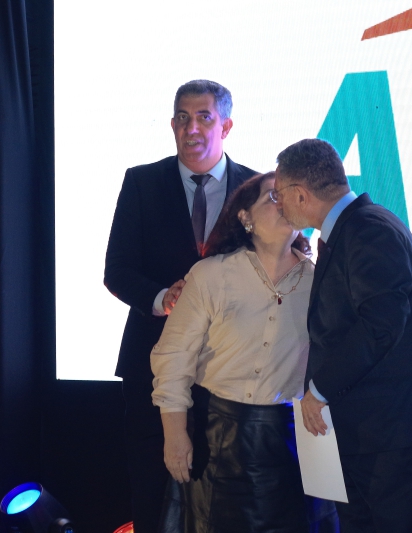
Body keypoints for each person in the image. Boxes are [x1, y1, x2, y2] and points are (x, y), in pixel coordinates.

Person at [272, 138, 412, 533]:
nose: (278, 205)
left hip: (398, 438)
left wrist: (319, 390)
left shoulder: (369, 230)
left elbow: (381, 325)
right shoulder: (351, 230)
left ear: (301, 194)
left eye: (278, 194)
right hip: (372, 438)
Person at [104, 80, 257, 533]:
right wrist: (160, 298)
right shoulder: (141, 182)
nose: (192, 128)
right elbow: (117, 270)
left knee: (223, 500)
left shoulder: (256, 188)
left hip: (229, 370)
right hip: (151, 366)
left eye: (204, 117)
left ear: (225, 126)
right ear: (172, 125)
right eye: (183, 118)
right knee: (153, 493)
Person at [151, 172, 316, 533]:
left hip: (287, 446)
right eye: (273, 196)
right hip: (217, 442)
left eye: (291, 196)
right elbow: (173, 358)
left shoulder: (318, 282)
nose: (284, 203)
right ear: (245, 217)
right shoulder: (212, 275)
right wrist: (175, 436)